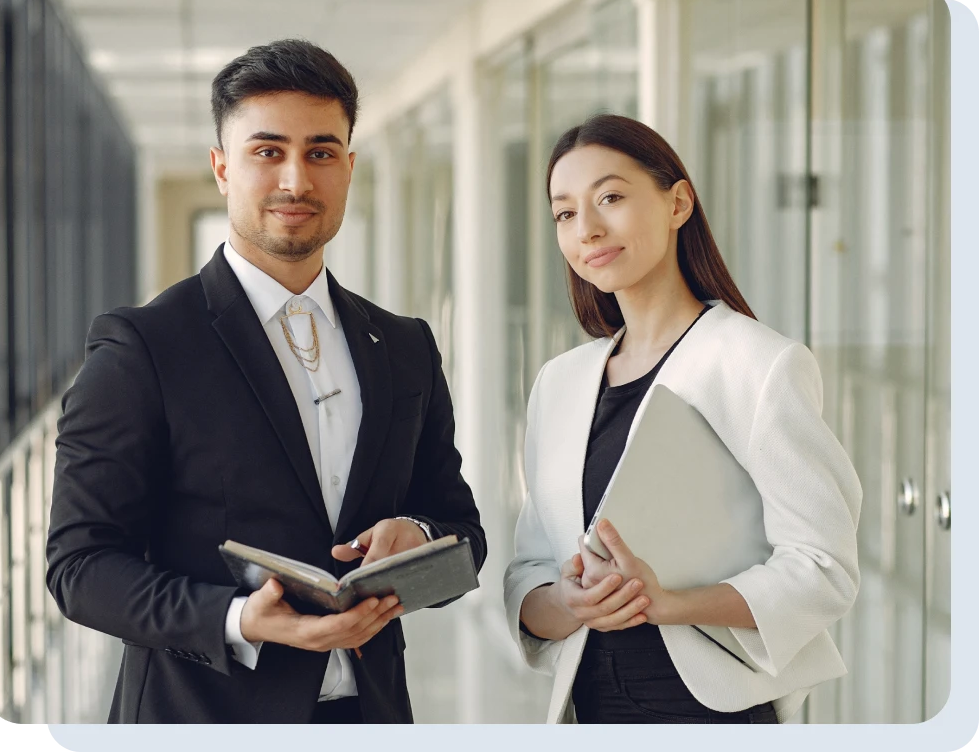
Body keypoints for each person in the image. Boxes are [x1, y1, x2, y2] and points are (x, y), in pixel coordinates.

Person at [46, 38, 485, 724]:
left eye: (320, 152)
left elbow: (465, 534)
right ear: (222, 168)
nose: (295, 181)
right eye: (267, 151)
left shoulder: (404, 347)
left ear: (348, 166)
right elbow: (79, 567)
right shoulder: (144, 347)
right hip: (202, 717)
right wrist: (239, 618)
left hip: (370, 716)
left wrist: (422, 534)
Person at [503, 114, 861, 724]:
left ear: (678, 202)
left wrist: (670, 603)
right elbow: (528, 574)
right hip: (586, 707)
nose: (587, 229)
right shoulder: (559, 382)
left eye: (610, 198)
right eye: (565, 213)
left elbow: (823, 568)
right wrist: (569, 601)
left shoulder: (757, 363)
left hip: (704, 710)